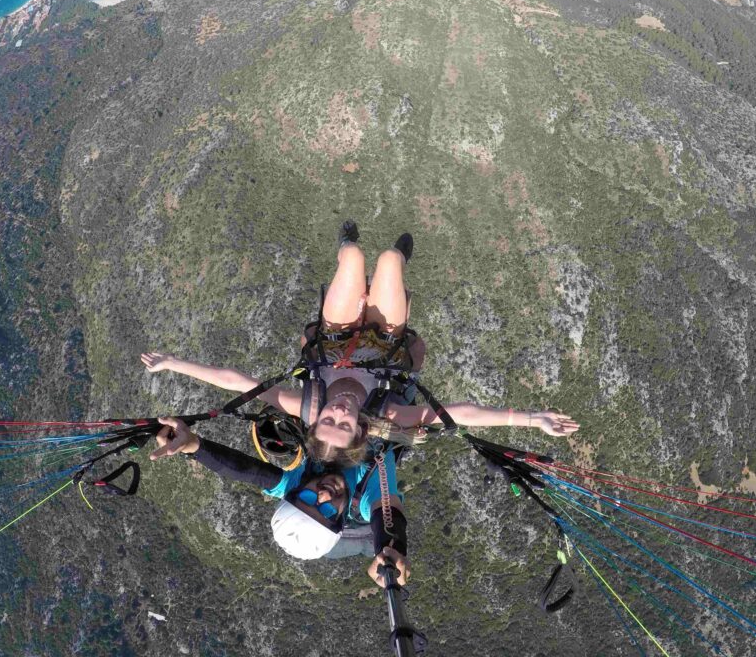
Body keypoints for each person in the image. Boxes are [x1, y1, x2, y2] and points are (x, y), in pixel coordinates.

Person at [142, 221, 579, 465]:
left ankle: (346, 245)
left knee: (353, 259)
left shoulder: (308, 403)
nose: (338, 412)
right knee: (388, 260)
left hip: (335, 337)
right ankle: (397, 260)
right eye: (346, 425)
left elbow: (237, 383)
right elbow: (457, 415)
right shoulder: (384, 411)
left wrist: (173, 363)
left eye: (328, 420)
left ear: (317, 422)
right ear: (360, 429)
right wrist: (530, 418)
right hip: (386, 342)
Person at [149, 416, 409, 587]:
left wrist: (193, 445)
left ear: (295, 494)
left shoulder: (295, 484)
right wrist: (391, 548)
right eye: (327, 510)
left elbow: (245, 470)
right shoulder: (366, 498)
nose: (324, 495)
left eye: (308, 498)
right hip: (386, 419)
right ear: (340, 520)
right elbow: (385, 512)